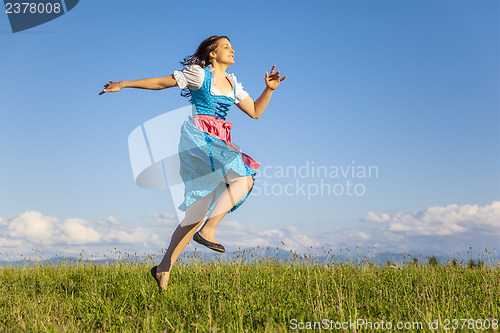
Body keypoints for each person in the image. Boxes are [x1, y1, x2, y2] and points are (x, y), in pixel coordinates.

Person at [99, 35, 286, 293]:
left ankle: (163, 269)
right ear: (212, 53)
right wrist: (124, 84)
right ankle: (208, 230)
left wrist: (270, 90)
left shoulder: (233, 83)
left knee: (195, 213)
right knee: (245, 176)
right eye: (226, 47)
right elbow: (161, 83)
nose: (233, 50)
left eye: (232, 47)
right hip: (198, 137)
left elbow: (254, 111)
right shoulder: (199, 75)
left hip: (219, 140)